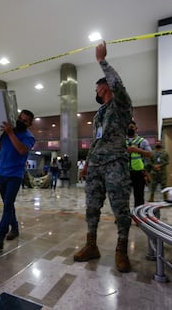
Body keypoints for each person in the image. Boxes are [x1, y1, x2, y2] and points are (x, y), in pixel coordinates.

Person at [73, 41, 133, 273]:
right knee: (91, 207)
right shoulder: (100, 114)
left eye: (98, 86)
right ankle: (91, 245)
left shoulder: (121, 105)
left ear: (105, 86)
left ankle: (121, 251)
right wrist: (87, 164)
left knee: (120, 209)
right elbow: (96, 140)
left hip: (115, 164)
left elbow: (119, 85)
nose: (96, 90)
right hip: (96, 165)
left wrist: (102, 61)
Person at [0, 110, 35, 250]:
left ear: (30, 124)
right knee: (8, 204)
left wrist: (11, 133)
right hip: (1, 174)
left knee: (7, 205)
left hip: (15, 175)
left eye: (25, 120)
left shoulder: (29, 137)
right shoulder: (7, 132)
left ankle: (0, 236)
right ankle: (15, 228)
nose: (21, 121)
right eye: (20, 118)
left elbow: (22, 150)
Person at [126, 120, 152, 207]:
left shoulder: (142, 141)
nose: (129, 129)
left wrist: (138, 150)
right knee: (123, 196)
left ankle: (138, 216)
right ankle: (123, 218)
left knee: (139, 196)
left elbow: (150, 154)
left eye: (132, 127)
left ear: (136, 128)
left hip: (138, 173)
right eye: (128, 128)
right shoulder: (121, 141)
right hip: (124, 173)